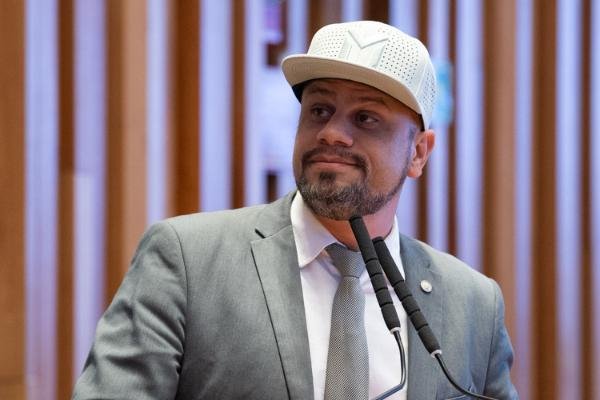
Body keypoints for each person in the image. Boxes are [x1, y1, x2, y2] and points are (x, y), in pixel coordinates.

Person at [73, 20, 518, 400]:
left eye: (366, 118)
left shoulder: (473, 305)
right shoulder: (188, 261)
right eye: (319, 110)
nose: (332, 133)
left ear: (418, 152)